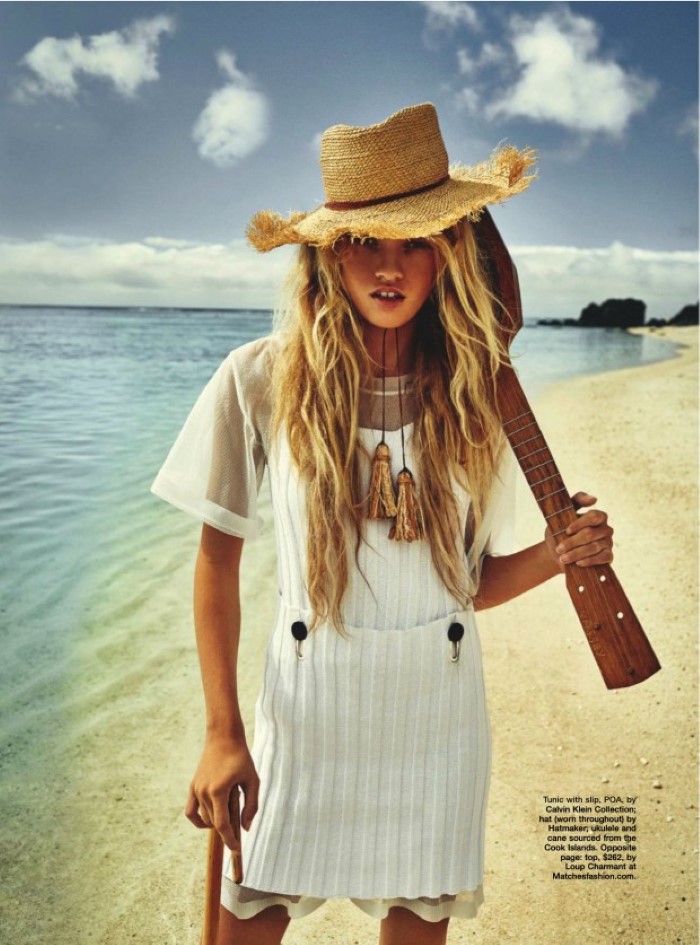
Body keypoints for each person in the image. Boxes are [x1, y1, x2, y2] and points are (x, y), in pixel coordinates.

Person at [151, 103, 614, 945]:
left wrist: (557, 554)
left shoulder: (479, 394)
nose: (389, 265)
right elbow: (216, 563)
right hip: (303, 713)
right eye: (363, 240)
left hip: (437, 722)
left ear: (450, 251)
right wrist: (222, 732)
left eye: (415, 240)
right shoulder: (259, 380)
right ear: (328, 254)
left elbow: (465, 586)